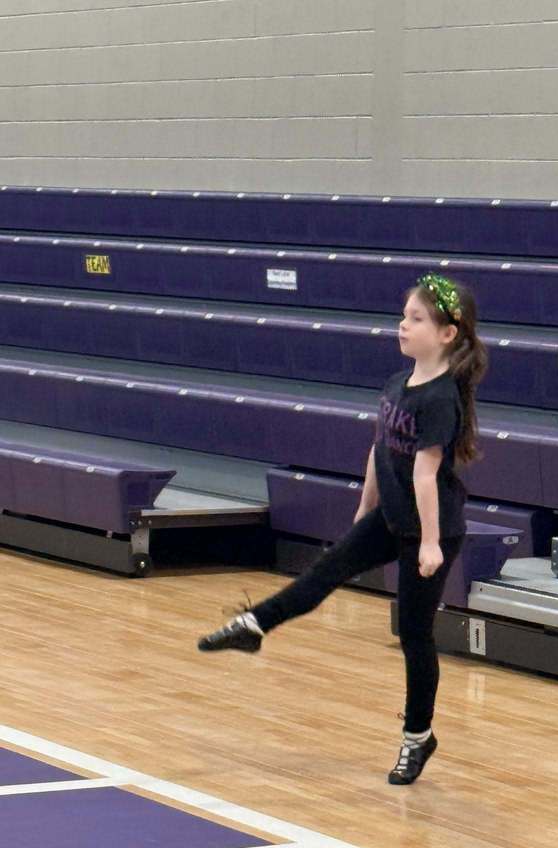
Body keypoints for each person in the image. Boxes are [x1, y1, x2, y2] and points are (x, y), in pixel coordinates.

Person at [198, 272, 488, 784]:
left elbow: (426, 474)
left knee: (414, 635)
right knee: (326, 570)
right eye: (404, 316)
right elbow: (380, 451)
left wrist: (428, 543)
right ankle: (254, 625)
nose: (403, 326)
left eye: (416, 319)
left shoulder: (441, 398)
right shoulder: (397, 384)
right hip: (391, 516)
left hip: (431, 530)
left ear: (447, 334)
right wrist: (364, 509)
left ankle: (417, 737)